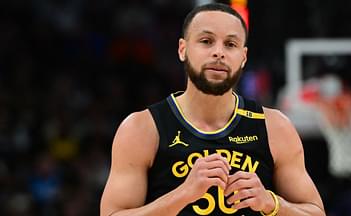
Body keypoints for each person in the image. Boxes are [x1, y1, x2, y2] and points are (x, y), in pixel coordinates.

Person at [100, 3, 325, 216]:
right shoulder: (142, 128)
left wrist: (271, 203)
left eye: (230, 44)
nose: (219, 52)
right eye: (206, 41)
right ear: (182, 49)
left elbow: (316, 212)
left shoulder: (274, 127)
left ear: (243, 57)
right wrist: (183, 194)